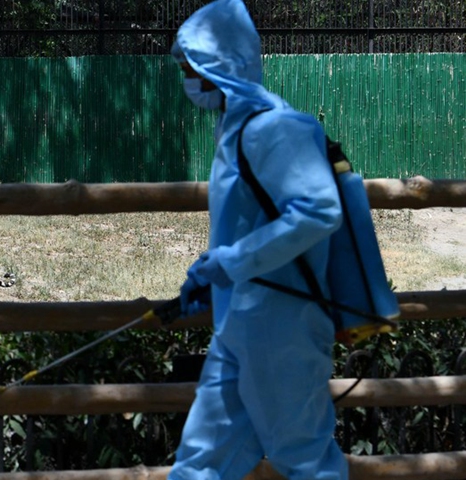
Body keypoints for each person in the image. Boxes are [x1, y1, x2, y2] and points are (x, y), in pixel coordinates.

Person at [170, 1, 349, 479]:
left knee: (306, 461)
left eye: (192, 66)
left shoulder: (277, 128)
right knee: (200, 464)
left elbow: (318, 211)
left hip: (283, 328)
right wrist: (212, 272)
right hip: (240, 324)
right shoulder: (234, 129)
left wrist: (229, 263)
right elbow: (249, 224)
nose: (187, 77)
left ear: (219, 65)